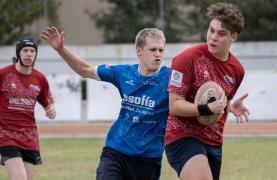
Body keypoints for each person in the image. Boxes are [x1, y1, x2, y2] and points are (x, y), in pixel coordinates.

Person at [40, 27, 170, 180]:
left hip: (148, 158)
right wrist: (60, 49)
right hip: (116, 151)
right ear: (139, 51)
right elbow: (86, 69)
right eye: (153, 49)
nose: (158, 54)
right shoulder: (124, 73)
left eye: (161, 50)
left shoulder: (171, 78)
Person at [164, 2, 250, 180]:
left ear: (233, 37)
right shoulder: (186, 59)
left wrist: (228, 106)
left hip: (214, 142)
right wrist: (206, 109)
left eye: (221, 33)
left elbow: (214, 104)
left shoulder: (237, 70)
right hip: (182, 137)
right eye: (211, 30)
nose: (213, 37)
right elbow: (174, 105)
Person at [0, 37, 56, 180]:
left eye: (32, 51)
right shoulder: (4, 74)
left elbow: (46, 101)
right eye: (25, 50)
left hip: (29, 137)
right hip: (6, 136)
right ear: (19, 53)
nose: (29, 54)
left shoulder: (40, 78)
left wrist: (50, 109)